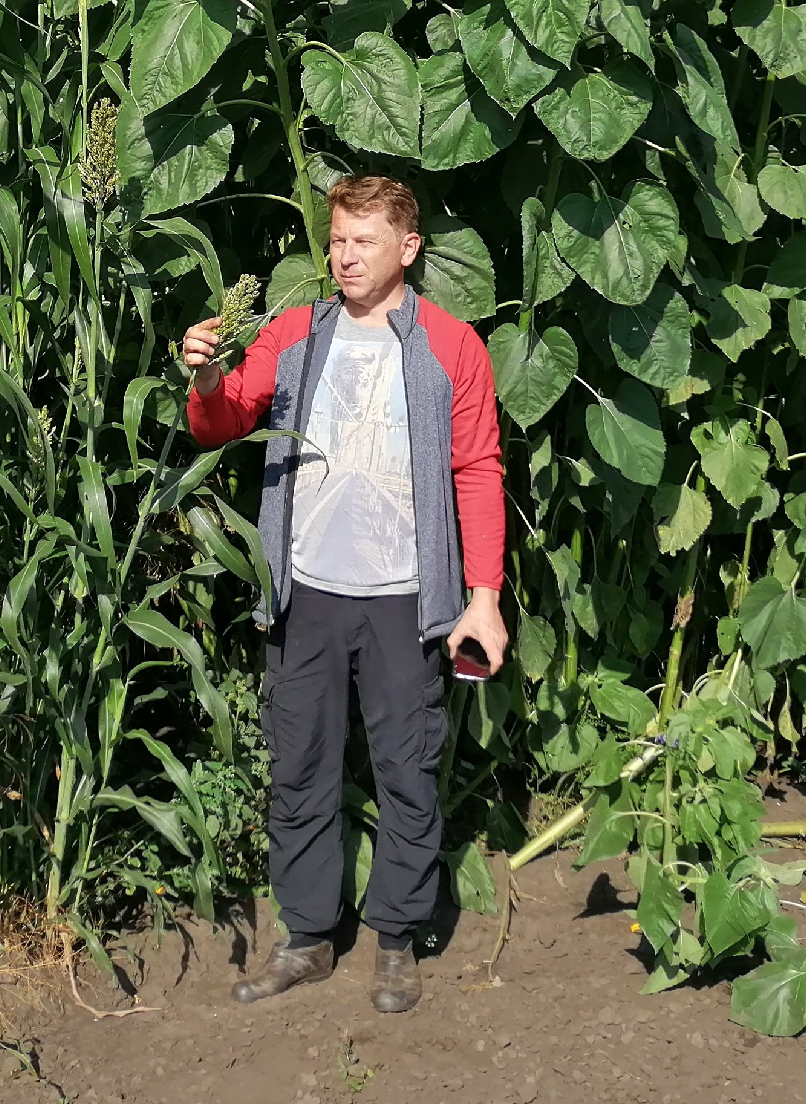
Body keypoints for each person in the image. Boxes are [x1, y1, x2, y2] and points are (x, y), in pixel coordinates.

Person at [181, 174, 508, 1015]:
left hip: (406, 599)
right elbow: (223, 423)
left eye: (364, 241)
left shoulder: (449, 346)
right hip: (307, 595)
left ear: (409, 249)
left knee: (407, 769)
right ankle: (308, 938)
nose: (344, 256)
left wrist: (483, 595)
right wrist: (209, 379)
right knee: (298, 770)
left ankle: (396, 941)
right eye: (336, 239)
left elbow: (476, 469)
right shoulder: (293, 333)